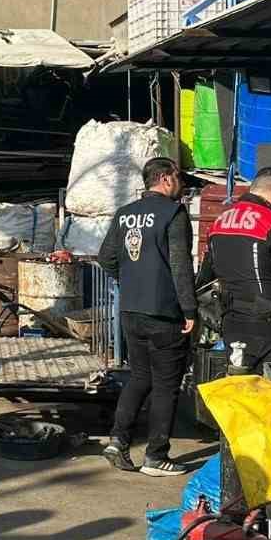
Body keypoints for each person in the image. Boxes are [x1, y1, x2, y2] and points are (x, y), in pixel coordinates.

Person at [96, 156, 197, 477]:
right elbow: (181, 267)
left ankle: (118, 440)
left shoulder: (125, 214)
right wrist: (190, 310)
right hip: (164, 311)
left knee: (140, 377)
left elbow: (105, 257)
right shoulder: (173, 213)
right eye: (178, 178)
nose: (181, 184)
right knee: (167, 384)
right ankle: (156, 456)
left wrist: (129, 279)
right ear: (166, 179)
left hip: (131, 309)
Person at [199, 166, 271, 374]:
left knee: (239, 391)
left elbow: (207, 274)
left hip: (231, 321)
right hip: (269, 324)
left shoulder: (219, 222)